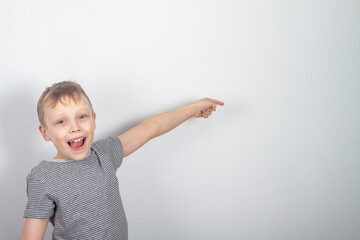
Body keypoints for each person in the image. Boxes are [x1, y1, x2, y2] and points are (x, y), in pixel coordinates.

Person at [20, 81, 224, 240]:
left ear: (94, 119)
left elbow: (150, 128)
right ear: (45, 132)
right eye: (61, 121)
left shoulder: (104, 153)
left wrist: (193, 108)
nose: (75, 127)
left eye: (82, 117)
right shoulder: (44, 177)